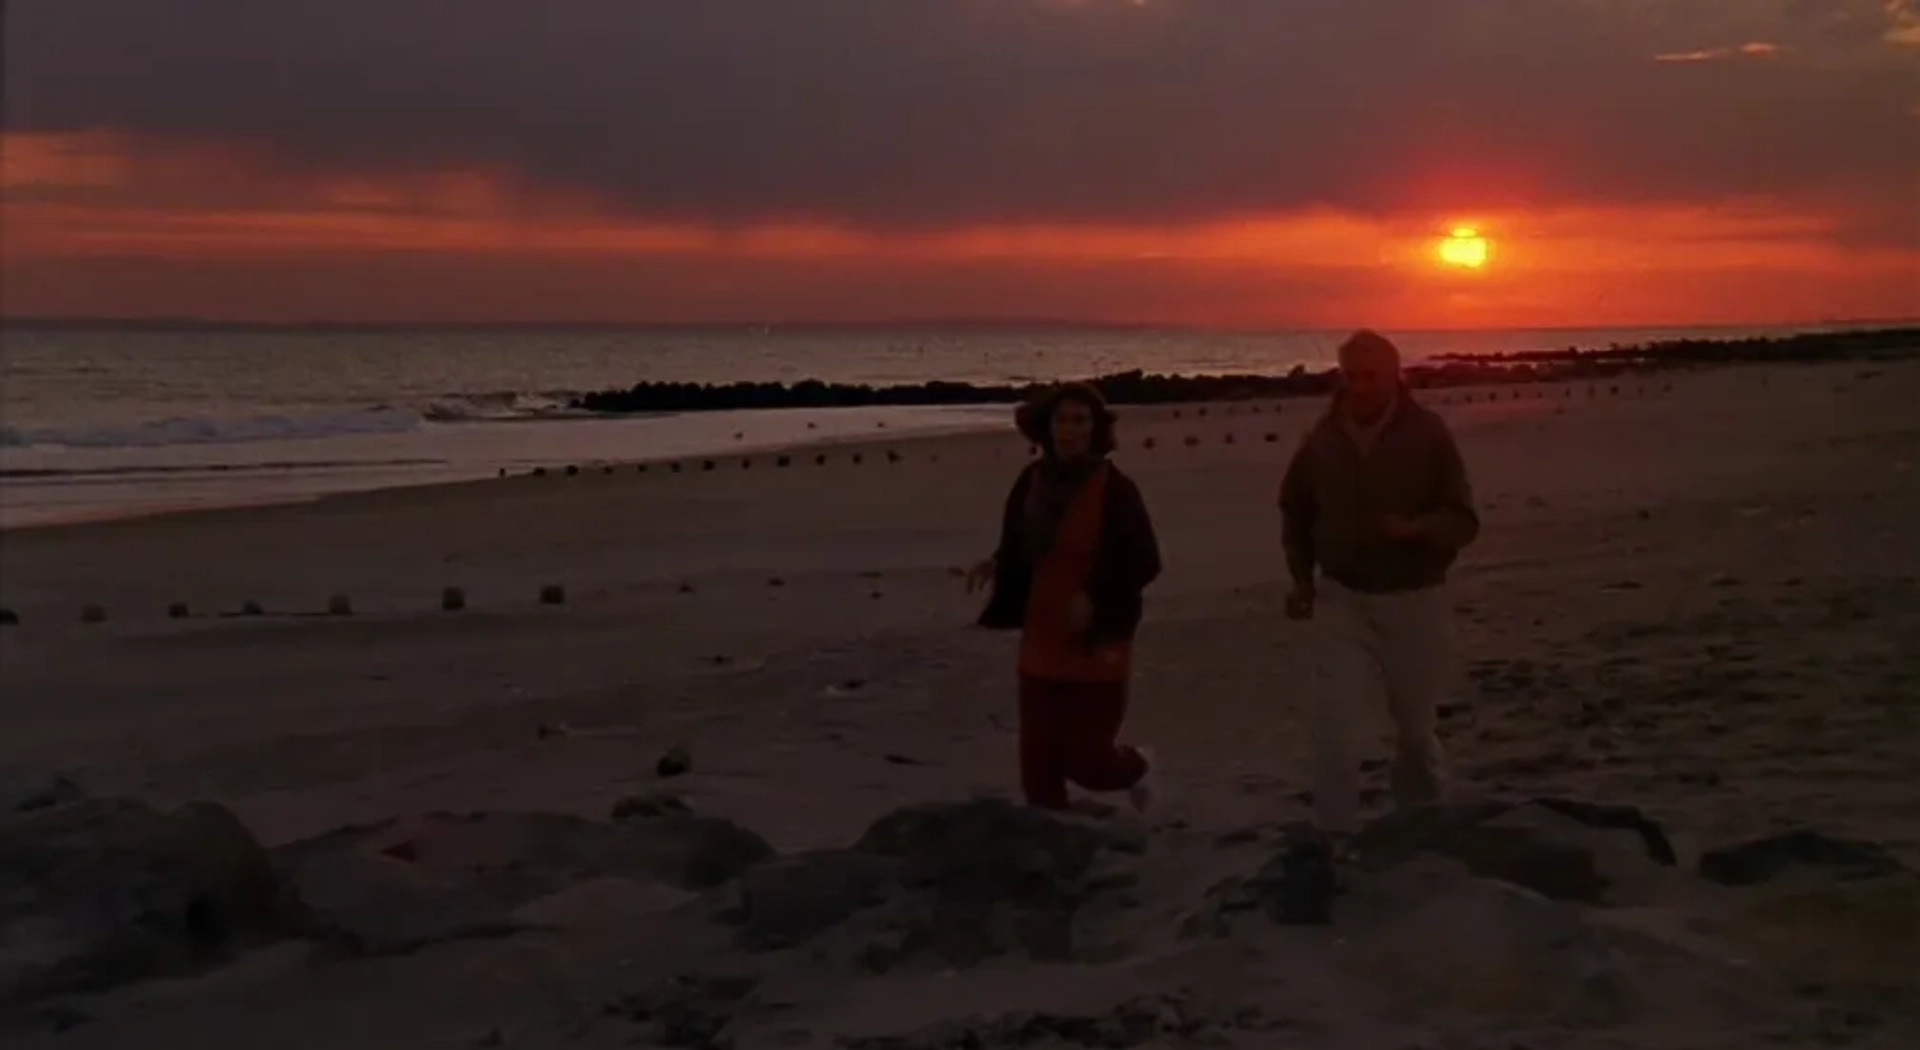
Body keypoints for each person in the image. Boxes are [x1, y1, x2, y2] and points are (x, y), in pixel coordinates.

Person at [1279, 329, 1480, 841]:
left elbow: (1464, 519)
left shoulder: (1428, 433)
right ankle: (1334, 836)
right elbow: (1295, 510)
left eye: (1372, 376)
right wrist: (1302, 579)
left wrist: (1418, 529)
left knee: (1414, 730)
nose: (1361, 386)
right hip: (1341, 598)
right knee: (1335, 730)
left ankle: (1425, 822)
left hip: (1414, 599)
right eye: (1352, 375)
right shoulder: (1322, 439)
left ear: (1396, 376)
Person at [966, 382, 1162, 812]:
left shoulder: (1116, 489)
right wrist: (995, 564)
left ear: (1096, 430)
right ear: (1046, 428)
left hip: (1098, 639)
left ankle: (1141, 767)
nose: (1070, 429)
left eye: (1080, 420)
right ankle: (1054, 860)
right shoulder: (1030, 481)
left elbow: (1146, 561)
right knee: (1038, 774)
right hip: (1043, 634)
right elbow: (1017, 543)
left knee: (1087, 762)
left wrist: (1094, 597)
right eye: (1061, 419)